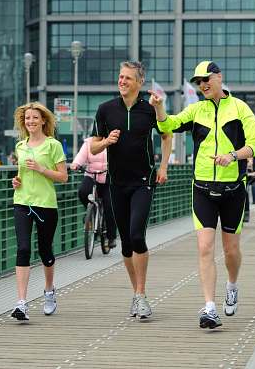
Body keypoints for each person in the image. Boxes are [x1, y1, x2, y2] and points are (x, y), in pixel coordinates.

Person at [149, 60, 255, 329]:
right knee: (204, 247)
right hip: (202, 187)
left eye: (206, 79)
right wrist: (159, 107)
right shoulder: (196, 109)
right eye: (198, 82)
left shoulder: (239, 108)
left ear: (219, 77)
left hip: (233, 187)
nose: (202, 85)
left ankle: (232, 285)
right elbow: (168, 126)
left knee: (231, 250)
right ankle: (210, 307)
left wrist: (232, 156)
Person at [90, 61, 172, 319]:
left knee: (137, 236)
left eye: (128, 78)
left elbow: (167, 133)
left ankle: (141, 294)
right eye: (120, 77)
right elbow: (92, 147)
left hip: (143, 181)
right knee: (126, 243)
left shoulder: (149, 108)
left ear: (139, 83)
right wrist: (106, 141)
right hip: (116, 182)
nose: (122, 81)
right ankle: (136, 294)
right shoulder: (105, 110)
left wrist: (164, 167)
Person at [10, 102, 68, 321]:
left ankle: (49, 290)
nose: (31, 122)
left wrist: (42, 169)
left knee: (45, 251)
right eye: (27, 119)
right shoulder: (20, 146)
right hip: (22, 201)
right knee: (23, 248)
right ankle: (21, 303)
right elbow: (21, 174)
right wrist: (16, 181)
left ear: (43, 120)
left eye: (35, 118)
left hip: (46, 204)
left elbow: (63, 177)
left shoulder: (54, 145)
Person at [70, 137, 117, 249]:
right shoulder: (89, 142)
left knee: (110, 205)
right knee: (83, 191)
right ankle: (89, 214)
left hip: (108, 177)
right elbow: (81, 156)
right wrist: (75, 164)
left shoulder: (113, 140)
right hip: (91, 175)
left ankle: (111, 237)